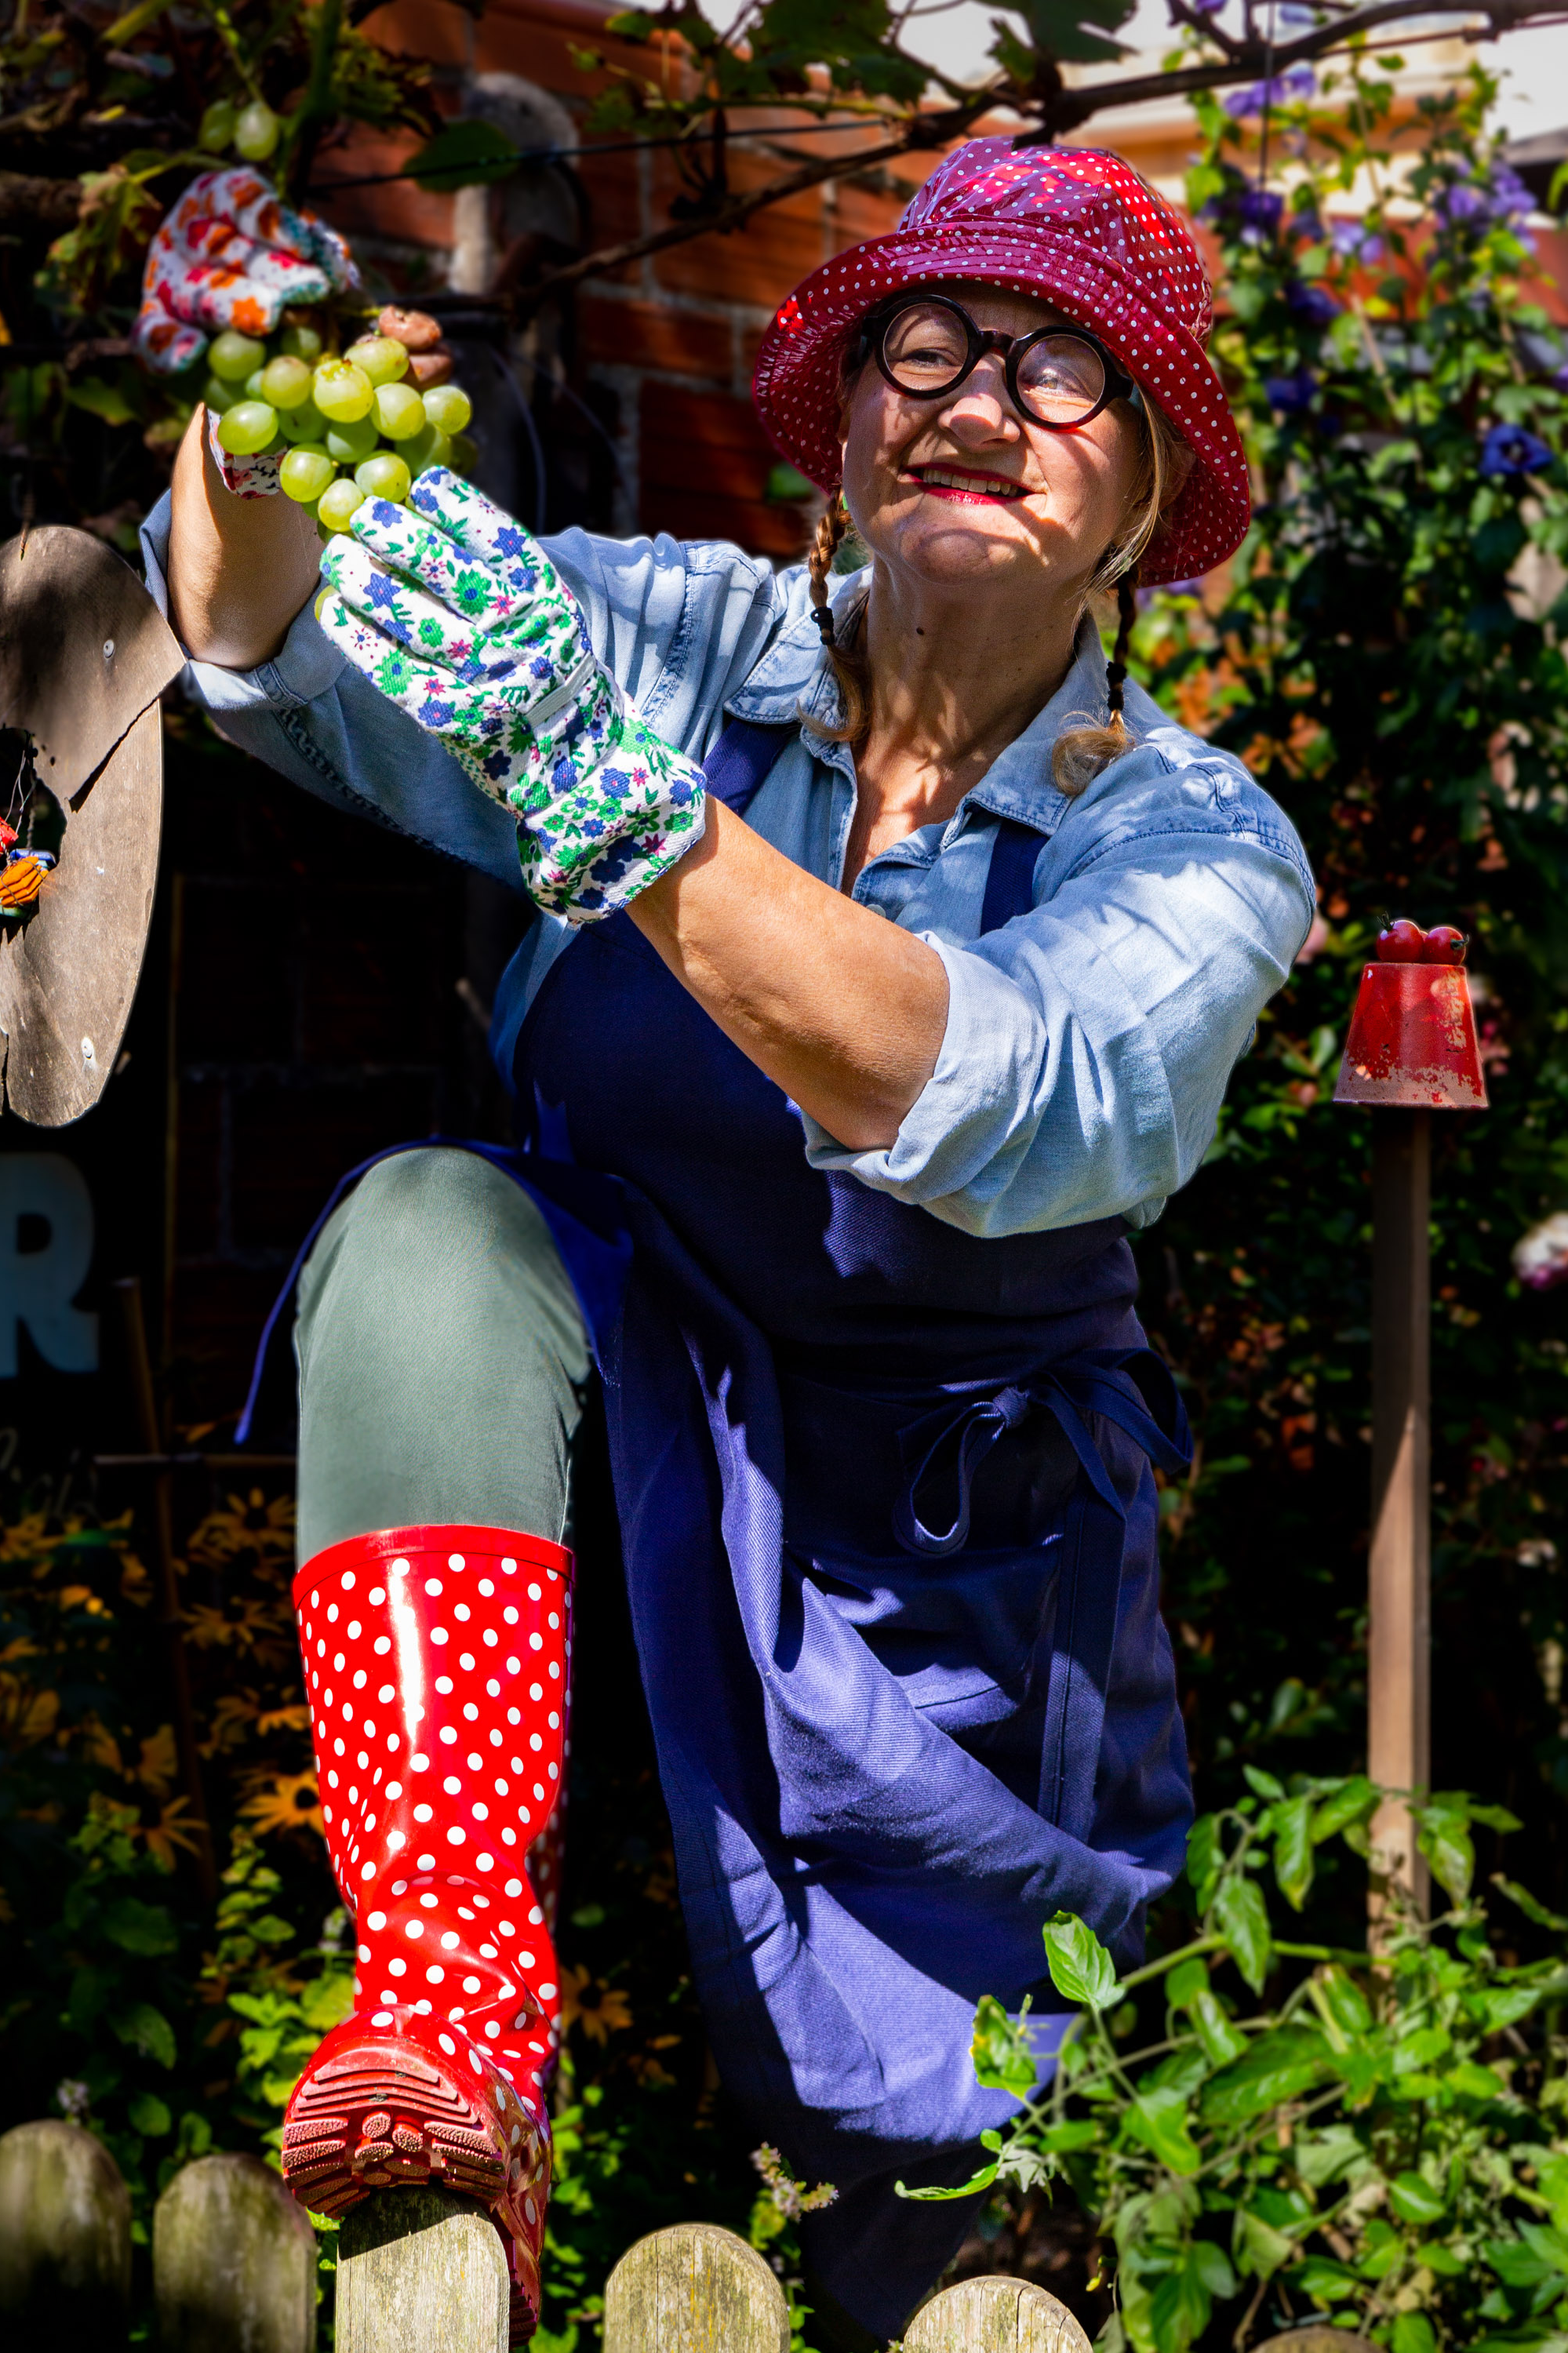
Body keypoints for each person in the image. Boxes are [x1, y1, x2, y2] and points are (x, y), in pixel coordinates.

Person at [145, 140, 1314, 2349]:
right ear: (850, 426)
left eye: (1062, 370)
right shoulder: (692, 635)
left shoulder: (1199, 842)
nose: (978, 397)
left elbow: (962, 1086)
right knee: (427, 1229)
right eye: (928, 347)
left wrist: (609, 800)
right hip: (588, 1455)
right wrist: (255, 404)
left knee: (953, 2263)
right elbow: (262, 630)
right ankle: (456, 2025)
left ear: (1148, 495)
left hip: (948, 1599)